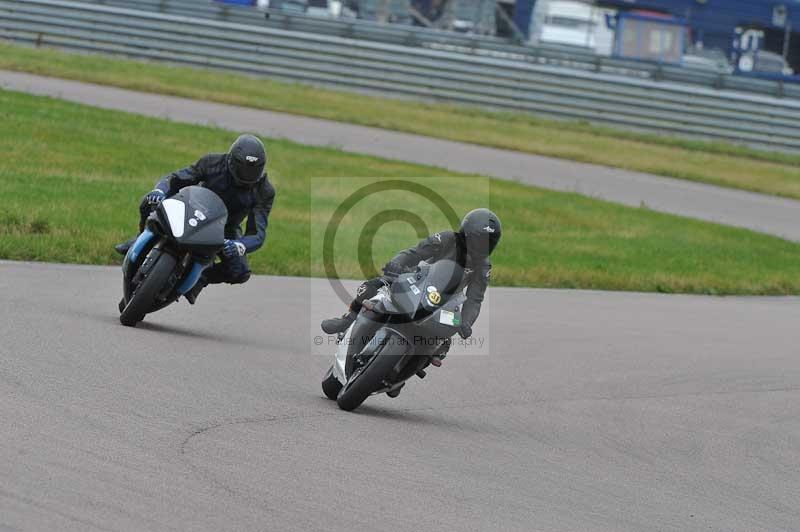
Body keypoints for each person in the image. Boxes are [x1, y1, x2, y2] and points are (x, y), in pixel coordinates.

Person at [320, 208, 501, 364]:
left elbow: (475, 298)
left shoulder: (484, 266)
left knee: (445, 340)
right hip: (416, 280)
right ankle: (348, 319)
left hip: (445, 303)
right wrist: (397, 264)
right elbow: (415, 252)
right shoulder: (447, 238)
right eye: (479, 240)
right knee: (372, 286)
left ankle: (407, 368)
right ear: (466, 233)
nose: (482, 246)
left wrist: (467, 322)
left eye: (488, 242)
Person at [116, 134, 276, 304]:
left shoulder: (264, 191)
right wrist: (160, 191)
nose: (246, 176)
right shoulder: (212, 162)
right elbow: (176, 178)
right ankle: (141, 238)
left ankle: (200, 279)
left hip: (225, 228)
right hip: (192, 208)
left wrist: (240, 245)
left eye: (252, 171)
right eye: (242, 169)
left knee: (240, 272)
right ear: (231, 160)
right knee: (149, 202)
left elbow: (257, 233)